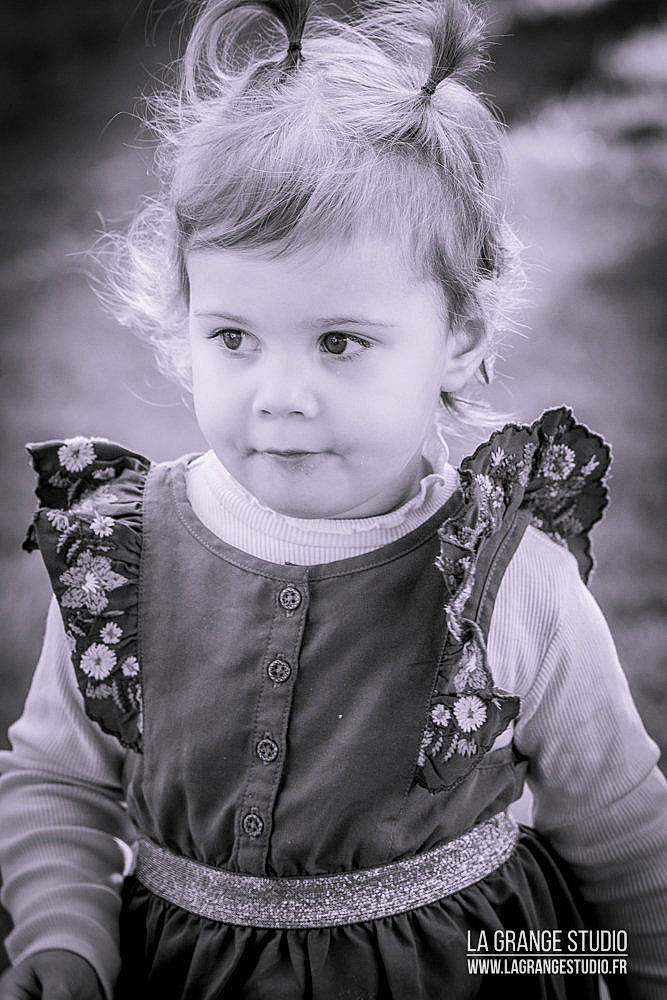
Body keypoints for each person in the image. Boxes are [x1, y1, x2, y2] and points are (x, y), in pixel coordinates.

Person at [0, 0, 665, 997]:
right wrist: (66, 936)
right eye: (233, 337)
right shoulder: (122, 557)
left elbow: (619, 832)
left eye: (339, 341)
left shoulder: (506, 575)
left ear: (460, 335)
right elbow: (60, 779)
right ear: (182, 319)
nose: (279, 393)